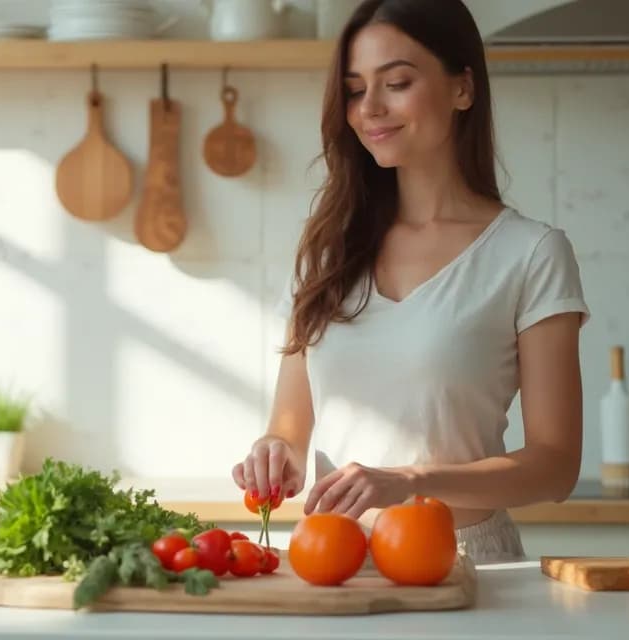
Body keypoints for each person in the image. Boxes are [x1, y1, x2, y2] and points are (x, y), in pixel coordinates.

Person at [232, 0, 588, 564]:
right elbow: (290, 431)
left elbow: (556, 467)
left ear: (462, 89)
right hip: (331, 561)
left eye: (396, 82)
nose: (369, 108)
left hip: (463, 562)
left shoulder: (530, 253)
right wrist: (273, 453)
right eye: (354, 89)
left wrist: (410, 479)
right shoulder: (326, 251)